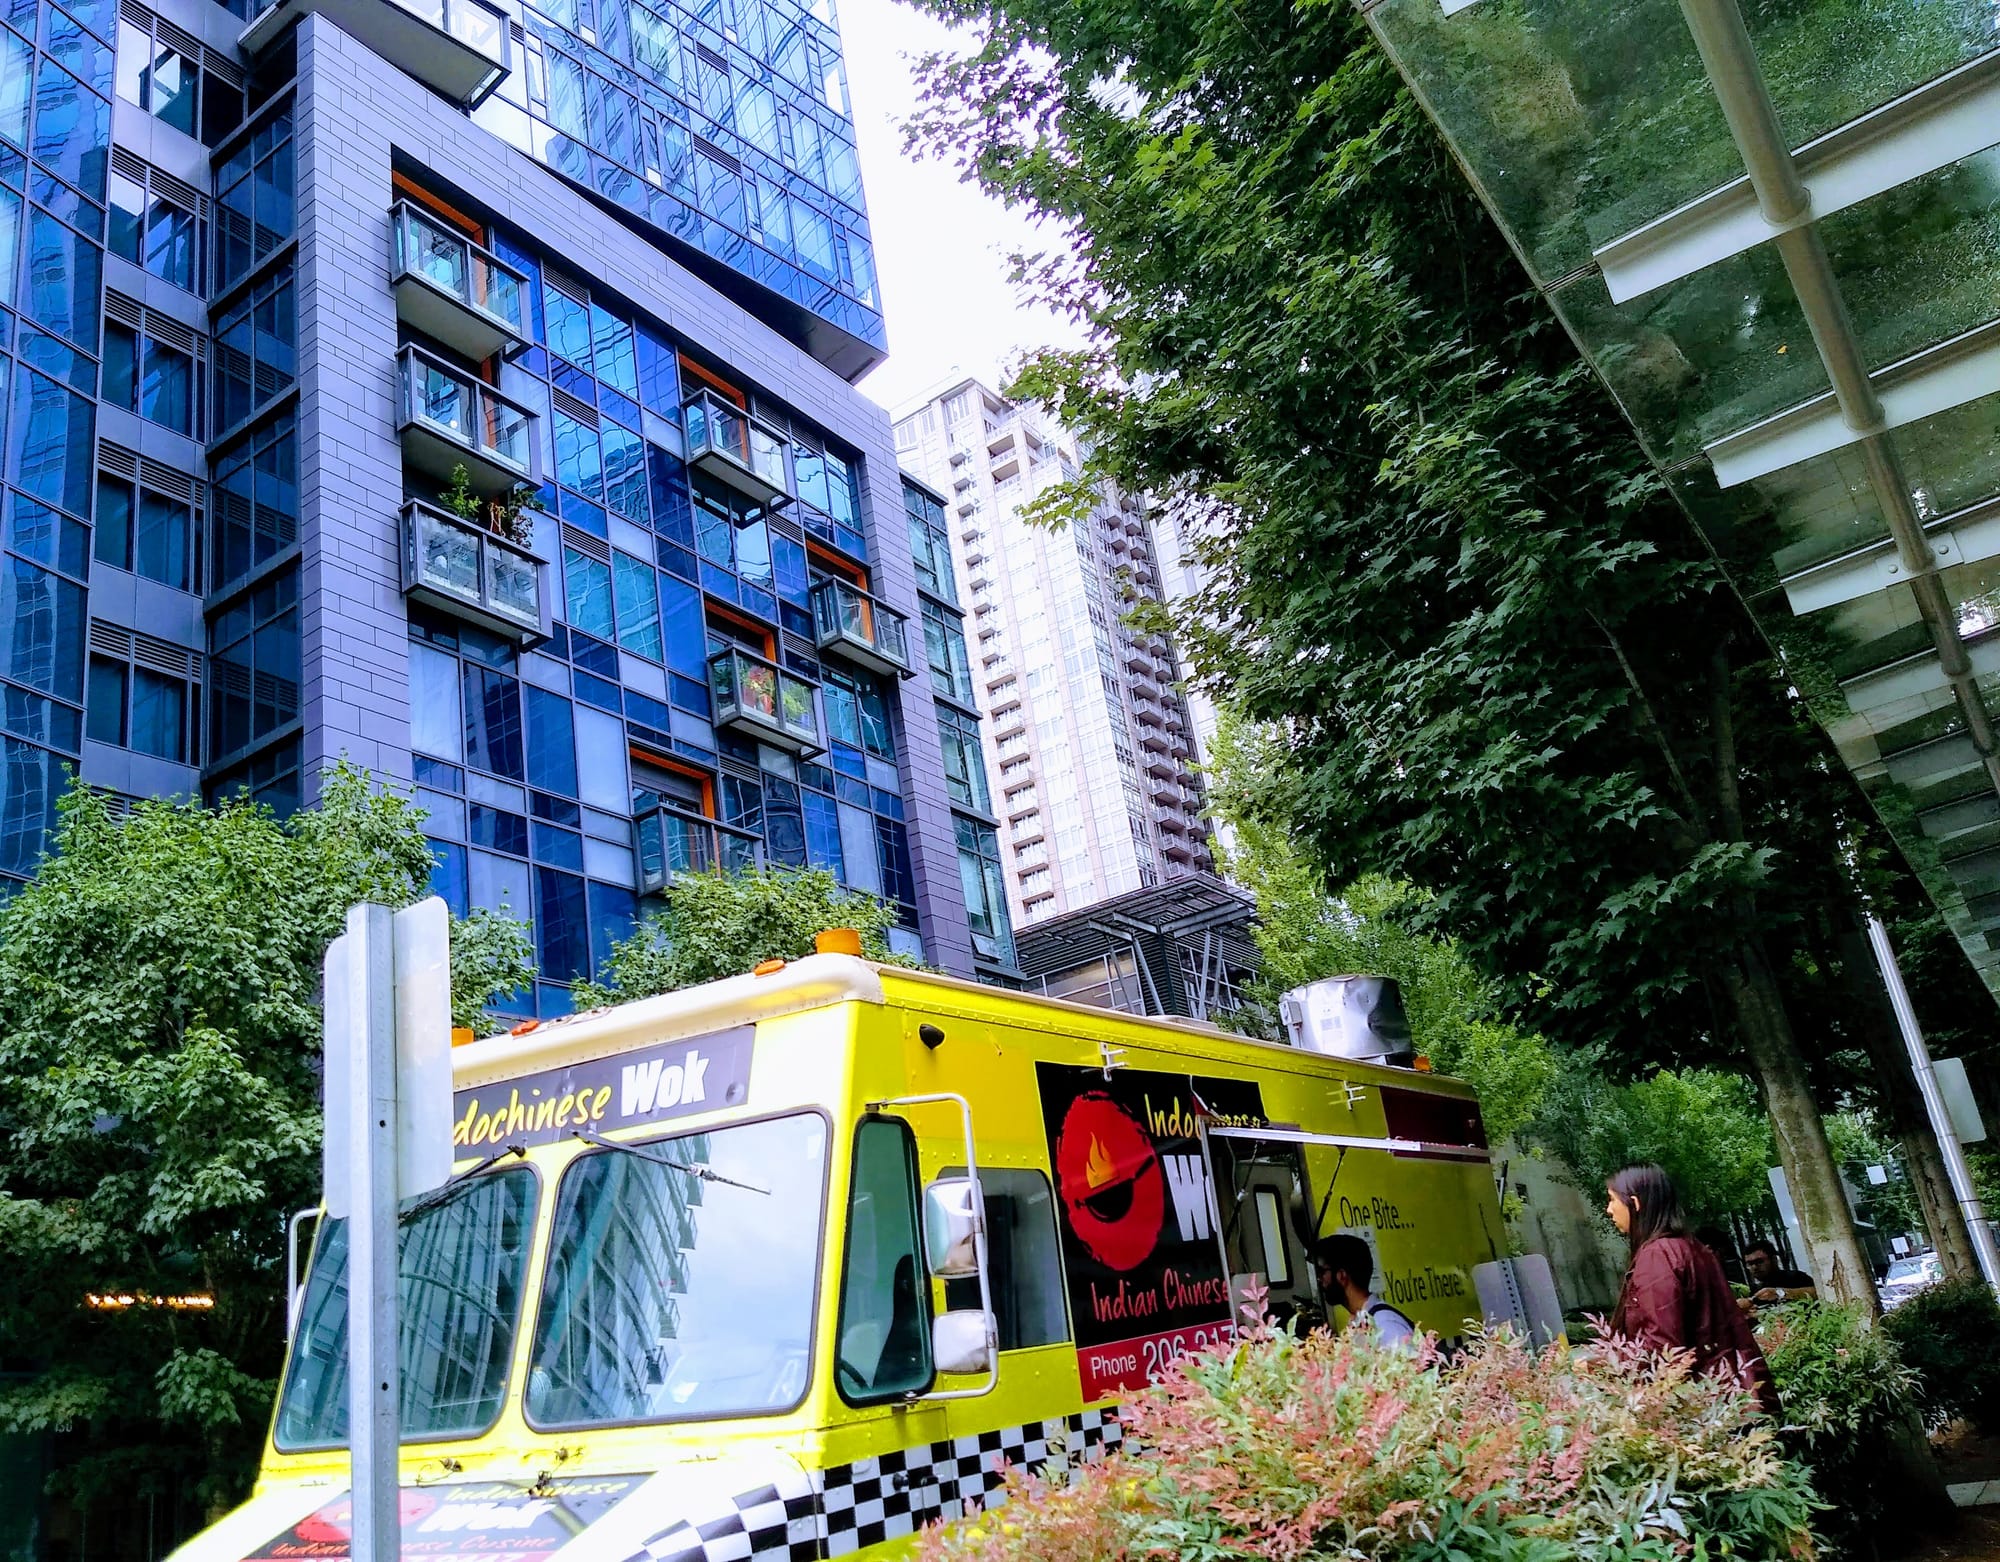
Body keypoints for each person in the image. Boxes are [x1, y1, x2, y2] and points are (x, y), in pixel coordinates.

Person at [1606, 1164, 1780, 1415]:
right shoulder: (1692, 1248)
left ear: (1635, 1203)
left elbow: (1663, 1347)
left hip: (1702, 1409)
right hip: (1731, 1395)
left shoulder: (1658, 1256)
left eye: (1612, 1200)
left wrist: (1604, 1362)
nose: (1609, 1209)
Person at [1313, 1233, 1415, 1348]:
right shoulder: (1360, 1321)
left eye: (1321, 1272)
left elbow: (1410, 1364)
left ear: (1341, 1275)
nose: (1319, 1279)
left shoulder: (1384, 1324)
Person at [1741, 1239, 1816, 1308]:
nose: (1754, 1267)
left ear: (1774, 1259)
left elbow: (1818, 1293)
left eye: (1759, 1262)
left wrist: (1780, 1293)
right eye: (1750, 1264)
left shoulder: (1796, 1277)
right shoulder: (1755, 1292)